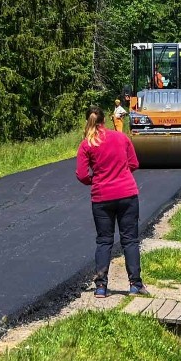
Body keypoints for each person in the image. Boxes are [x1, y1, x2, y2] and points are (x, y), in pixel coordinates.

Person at [75, 106, 148, 298]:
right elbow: (134, 164)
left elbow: (82, 175)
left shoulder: (86, 145)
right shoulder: (121, 138)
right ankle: (135, 284)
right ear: (105, 120)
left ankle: (101, 287)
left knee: (104, 241)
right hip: (127, 194)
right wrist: (120, 175)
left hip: (102, 197)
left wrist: (97, 179)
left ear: (87, 121)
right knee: (130, 240)